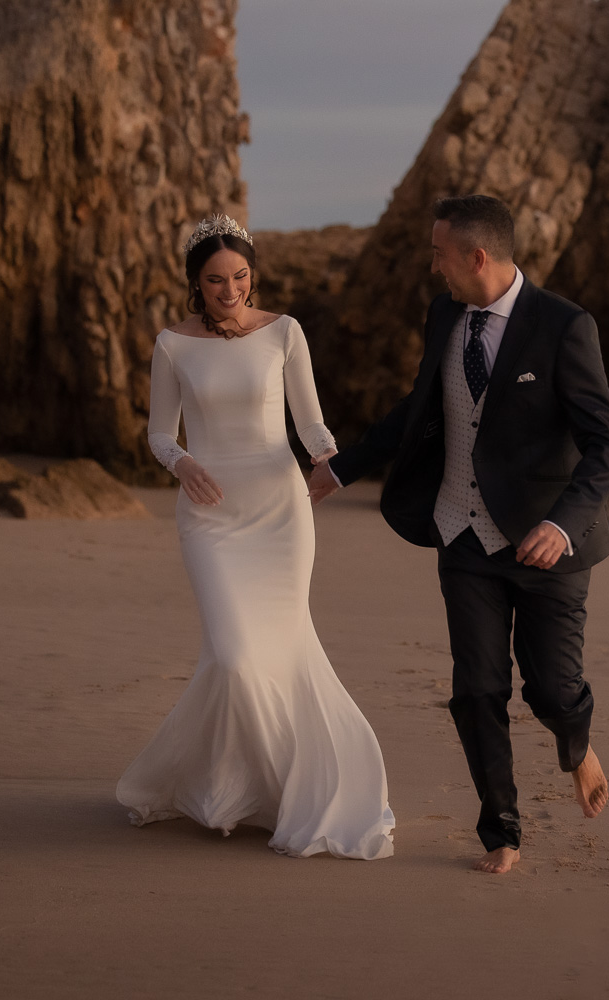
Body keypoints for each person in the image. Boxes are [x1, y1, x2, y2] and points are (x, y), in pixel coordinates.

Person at [310, 194, 609, 874]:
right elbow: (418, 407)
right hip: (464, 536)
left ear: (477, 257)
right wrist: (343, 468)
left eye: (439, 254)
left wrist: (562, 525)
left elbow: (606, 447)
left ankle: (576, 743)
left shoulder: (565, 327)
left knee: (551, 687)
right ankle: (501, 828)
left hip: (547, 547)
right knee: (476, 688)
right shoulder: (445, 315)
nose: (432, 266)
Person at [116, 214, 395, 860]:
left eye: (240, 277)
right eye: (216, 280)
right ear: (196, 283)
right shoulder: (172, 345)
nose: (230, 289)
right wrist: (181, 463)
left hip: (280, 513)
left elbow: (312, 424)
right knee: (235, 655)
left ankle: (257, 794)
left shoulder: (284, 333)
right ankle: (254, 787)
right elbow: (161, 433)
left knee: (273, 651)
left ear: (252, 275)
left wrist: (334, 462)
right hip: (209, 519)